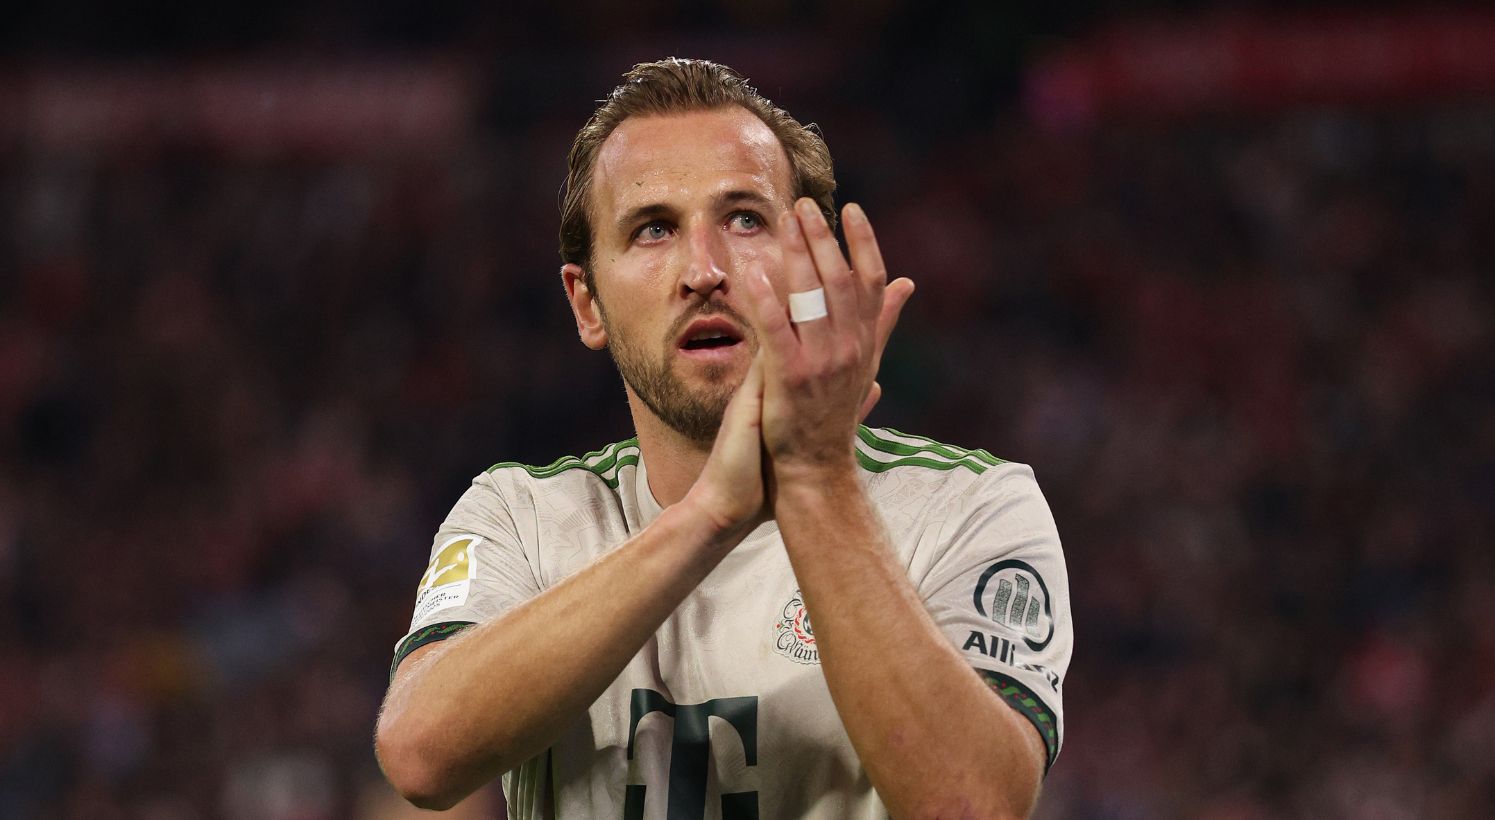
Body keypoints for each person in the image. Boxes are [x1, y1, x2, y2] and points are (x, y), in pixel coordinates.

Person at [375, 58, 1072, 819]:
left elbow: (970, 806)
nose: (703, 270)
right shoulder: (522, 514)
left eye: (744, 218)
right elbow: (421, 753)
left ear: (816, 267)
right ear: (587, 304)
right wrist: (710, 514)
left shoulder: (968, 507)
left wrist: (811, 476)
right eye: (652, 230)